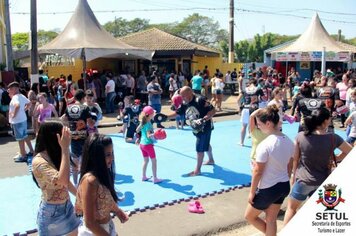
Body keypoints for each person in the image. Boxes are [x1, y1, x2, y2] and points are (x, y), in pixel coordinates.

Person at [283, 107, 352, 225]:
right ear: (325, 121)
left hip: (303, 181)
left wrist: (293, 176)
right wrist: (335, 158)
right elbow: (349, 151)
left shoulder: (301, 136)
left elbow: (295, 159)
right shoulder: (333, 137)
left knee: (291, 209)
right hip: (324, 181)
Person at [244, 105, 294, 236]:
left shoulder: (265, 144)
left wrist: (252, 192)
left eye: (259, 124)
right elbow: (290, 166)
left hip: (268, 188)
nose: (258, 126)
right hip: (283, 185)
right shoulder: (289, 141)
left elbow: (257, 171)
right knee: (271, 219)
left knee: (249, 216)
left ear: (268, 123)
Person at [32, 121, 80, 236]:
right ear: (54, 138)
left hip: (67, 206)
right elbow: (62, 180)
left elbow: (66, 183)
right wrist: (64, 148)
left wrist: (80, 196)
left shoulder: (54, 154)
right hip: (51, 213)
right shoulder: (38, 161)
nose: (66, 138)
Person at [76, 134, 129, 235]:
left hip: (107, 226)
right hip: (95, 231)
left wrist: (117, 211)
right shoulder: (90, 182)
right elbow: (90, 222)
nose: (112, 158)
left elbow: (106, 197)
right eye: (108, 154)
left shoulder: (103, 174)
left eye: (112, 153)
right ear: (96, 157)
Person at [179, 86, 216, 176]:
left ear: (189, 93)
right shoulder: (185, 102)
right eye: (181, 96)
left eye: (183, 95)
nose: (182, 98)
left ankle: (197, 170)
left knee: (199, 148)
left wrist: (204, 119)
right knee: (206, 144)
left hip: (204, 127)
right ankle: (211, 160)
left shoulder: (200, 100)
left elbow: (213, 110)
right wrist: (164, 117)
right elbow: (179, 113)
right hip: (196, 128)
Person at [62, 89, 91, 185]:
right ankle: (84, 183)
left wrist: (71, 126)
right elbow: (91, 124)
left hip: (73, 136)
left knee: (75, 161)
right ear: (83, 98)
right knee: (85, 161)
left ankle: (75, 184)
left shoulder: (69, 107)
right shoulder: (85, 108)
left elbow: (64, 120)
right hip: (83, 136)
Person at [8, 82, 35, 163]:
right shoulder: (21, 96)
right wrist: (24, 110)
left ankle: (23, 155)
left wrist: (13, 114)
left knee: (20, 139)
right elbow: (29, 103)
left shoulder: (15, 97)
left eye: (11, 89)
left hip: (17, 121)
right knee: (25, 136)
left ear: (15, 89)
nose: (9, 90)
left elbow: (17, 105)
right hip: (22, 120)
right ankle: (31, 151)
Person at [136, 106, 163, 184]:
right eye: (153, 113)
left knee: (145, 160)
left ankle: (143, 176)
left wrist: (140, 136)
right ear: (150, 115)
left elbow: (137, 130)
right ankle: (155, 178)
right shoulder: (148, 124)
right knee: (154, 161)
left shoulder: (143, 122)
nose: (154, 114)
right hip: (148, 145)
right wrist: (156, 134)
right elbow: (149, 135)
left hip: (142, 144)